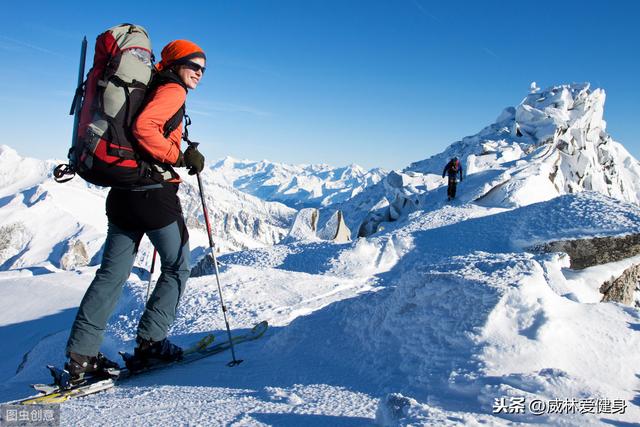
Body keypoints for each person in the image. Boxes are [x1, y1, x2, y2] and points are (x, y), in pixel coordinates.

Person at [64, 40, 207, 381]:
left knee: (111, 275)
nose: (199, 73)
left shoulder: (146, 87)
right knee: (176, 267)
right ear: (175, 64)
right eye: (194, 65)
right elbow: (145, 129)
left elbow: (141, 127)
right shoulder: (173, 90)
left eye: (203, 68)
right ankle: (152, 344)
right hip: (153, 196)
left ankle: (81, 357)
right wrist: (179, 158)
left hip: (122, 194)